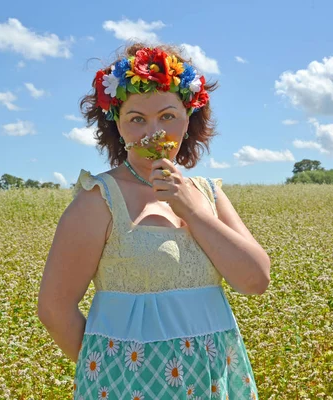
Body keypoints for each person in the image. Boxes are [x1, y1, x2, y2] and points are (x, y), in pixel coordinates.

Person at [37, 42, 271, 399]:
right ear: (116, 123)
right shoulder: (98, 200)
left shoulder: (207, 193)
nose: (153, 132)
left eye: (167, 116)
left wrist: (192, 209)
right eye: (136, 119)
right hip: (127, 384)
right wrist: (106, 370)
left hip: (214, 380)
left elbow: (255, 280)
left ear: (188, 118)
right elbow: (55, 309)